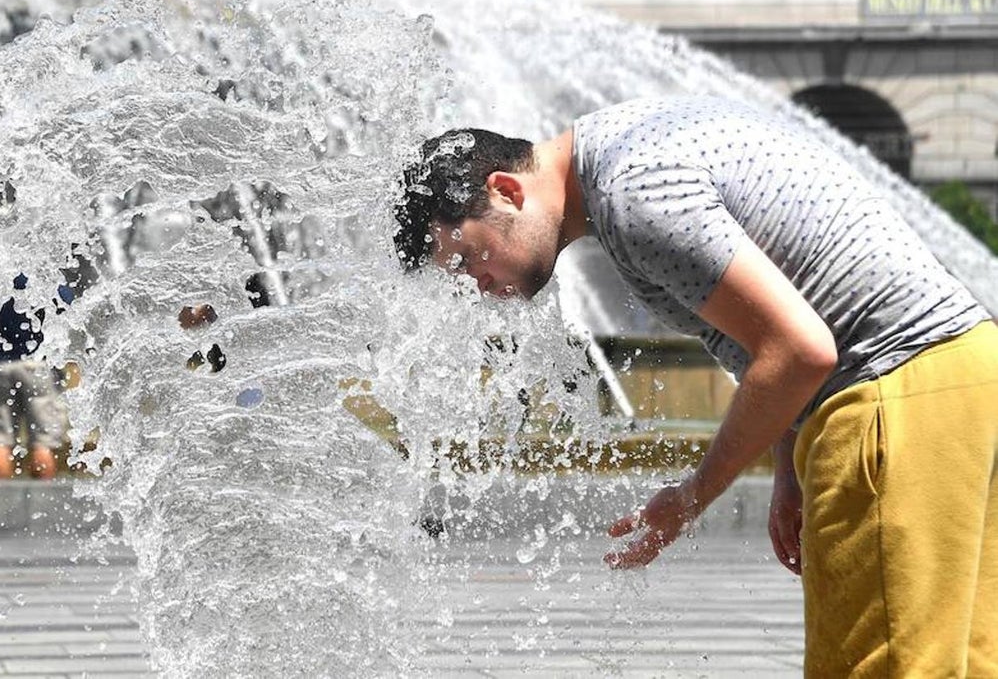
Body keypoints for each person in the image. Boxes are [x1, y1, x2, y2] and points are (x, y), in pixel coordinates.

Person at [393, 96, 997, 677]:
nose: (479, 286)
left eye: (470, 260)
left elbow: (801, 349)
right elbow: (789, 304)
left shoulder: (633, 196)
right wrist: (789, 462)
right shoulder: (630, 145)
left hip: (893, 395)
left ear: (505, 190)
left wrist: (691, 497)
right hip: (960, 377)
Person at [0, 274, 72, 480]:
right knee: (43, 443)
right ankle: (42, 505)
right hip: (39, 366)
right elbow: (69, 302)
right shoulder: (45, 276)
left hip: (0, 365)